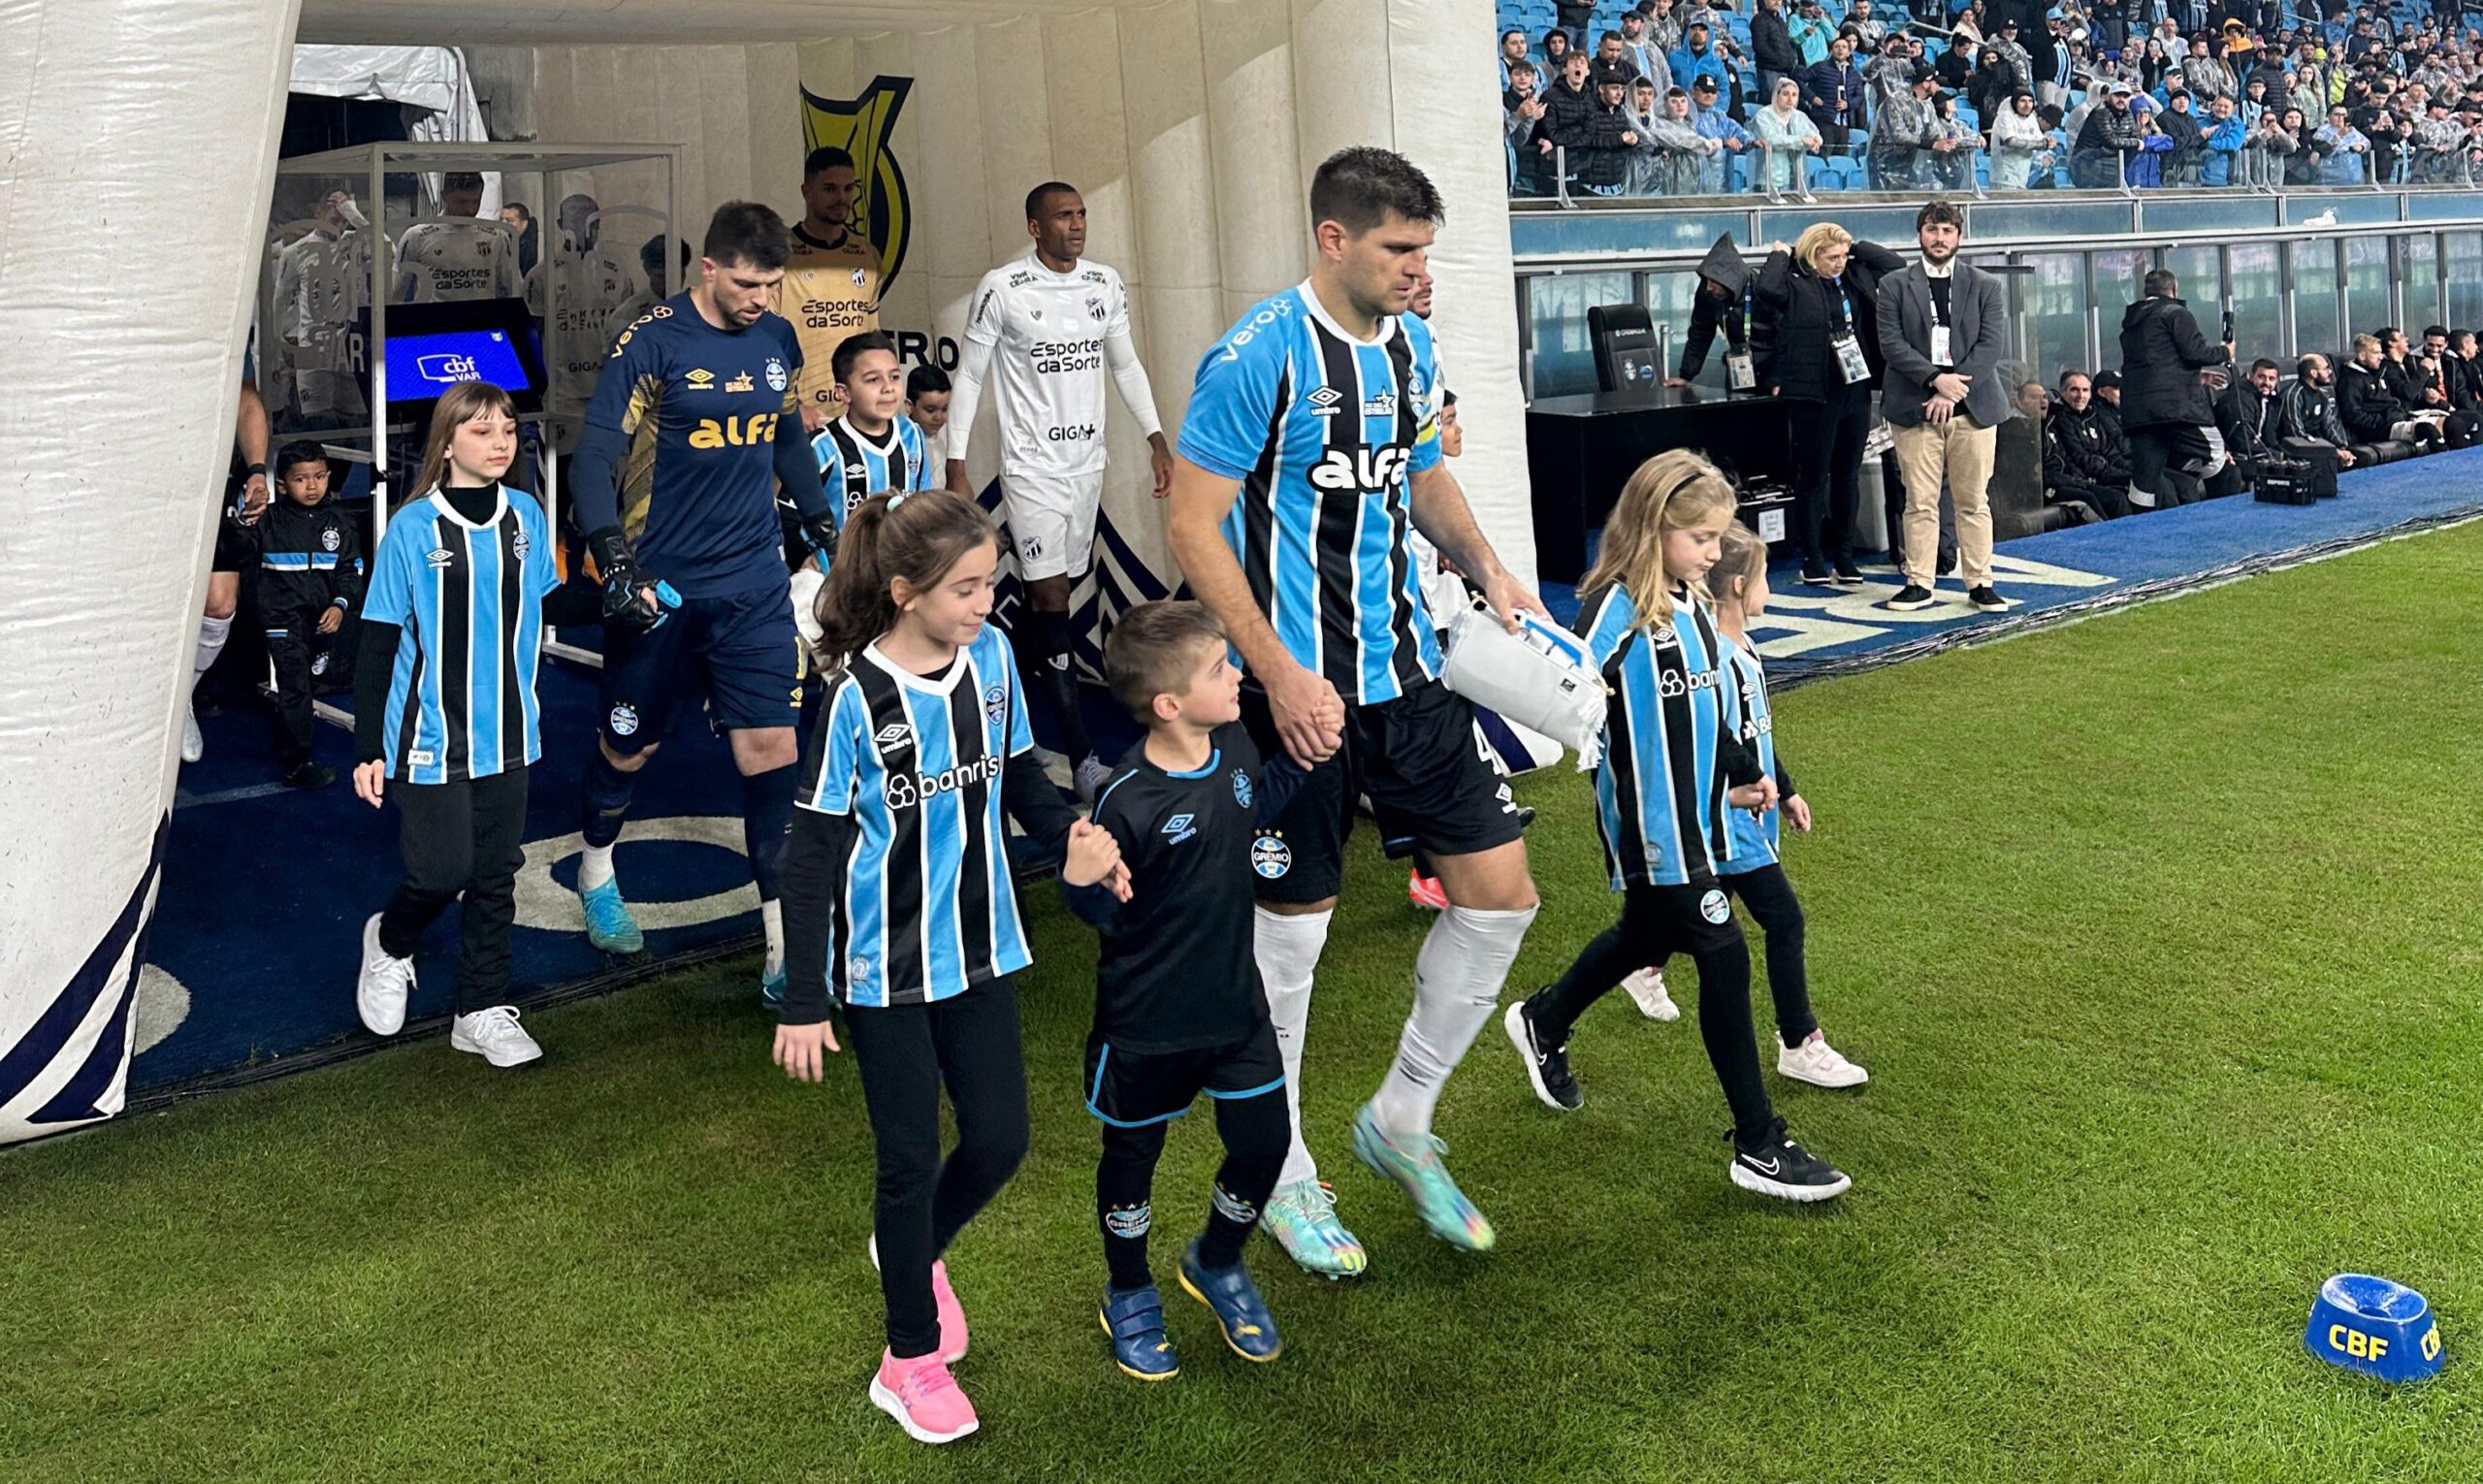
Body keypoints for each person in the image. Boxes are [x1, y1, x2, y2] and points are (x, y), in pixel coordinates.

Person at [1164, 148, 1544, 1274]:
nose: (1417, 270)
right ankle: (1280, 1174)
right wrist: (1277, 674)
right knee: (1292, 945)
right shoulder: (1256, 355)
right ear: (1333, 239)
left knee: (1501, 898)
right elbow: (1192, 529)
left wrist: (1486, 565)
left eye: (1425, 249)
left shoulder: (1412, 346)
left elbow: (1420, 477)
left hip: (1409, 677)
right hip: (1294, 698)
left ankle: (1400, 1120)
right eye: (1400, 249)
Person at [771, 488, 1127, 1445]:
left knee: (1002, 1141)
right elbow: (807, 857)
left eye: (988, 583)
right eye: (964, 587)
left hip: (983, 949)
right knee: (907, 1159)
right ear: (904, 592)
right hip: (883, 970)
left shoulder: (998, 660)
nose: (983, 602)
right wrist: (804, 1000)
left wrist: (1074, 843)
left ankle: (914, 1249)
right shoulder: (853, 699)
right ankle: (909, 1361)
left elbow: (1021, 783)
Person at [1500, 453, 1852, 1201]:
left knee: (1643, 938)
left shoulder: (1691, 603)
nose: (1716, 553)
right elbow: (1564, 702)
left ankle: (1543, 1018)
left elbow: (1702, 709)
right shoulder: (1611, 609)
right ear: (1653, 527)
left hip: (1703, 824)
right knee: (1725, 958)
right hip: (1652, 833)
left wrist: (1744, 770)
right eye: (1700, 538)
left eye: (1720, 538)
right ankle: (1758, 1143)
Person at [566, 202, 840, 1009]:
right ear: (708, 270)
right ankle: (595, 869)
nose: (763, 300)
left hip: (754, 586)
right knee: (629, 754)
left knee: (770, 754)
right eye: (750, 284)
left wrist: (820, 515)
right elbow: (596, 456)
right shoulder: (651, 343)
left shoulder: (775, 339)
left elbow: (787, 437)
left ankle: (783, 950)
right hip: (661, 591)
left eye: (774, 285)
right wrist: (613, 556)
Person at [1068, 601, 1301, 1382]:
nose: (1235, 676)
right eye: (1218, 669)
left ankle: (1216, 1259)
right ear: (1168, 705)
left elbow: (1248, 807)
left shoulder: (1232, 740)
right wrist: (1079, 885)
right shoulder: (1124, 800)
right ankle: (1128, 1289)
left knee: (1265, 1144)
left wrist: (1307, 761)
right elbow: (1105, 911)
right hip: (1147, 1026)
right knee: (1134, 1157)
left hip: (1237, 1012)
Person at [350, 381, 566, 1070]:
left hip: (510, 732)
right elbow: (378, 642)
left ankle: (478, 1010)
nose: (500, 441)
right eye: (482, 431)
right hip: (426, 736)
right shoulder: (411, 529)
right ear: (447, 445)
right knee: (442, 872)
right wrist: (365, 749)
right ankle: (389, 944)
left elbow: (550, 607)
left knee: (498, 874)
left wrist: (638, 589)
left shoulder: (528, 515)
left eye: (506, 429)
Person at [945, 181, 1173, 802]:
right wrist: (957, 464)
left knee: (1057, 599)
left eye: (1081, 214)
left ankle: (1010, 721)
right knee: (1050, 600)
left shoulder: (1103, 283)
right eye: (1064, 216)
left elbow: (1124, 364)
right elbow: (970, 373)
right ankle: (1081, 758)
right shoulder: (1004, 287)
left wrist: (1155, 436)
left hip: (1086, 467)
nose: (1077, 225)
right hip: (1033, 472)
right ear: (1035, 226)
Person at [1704, 523, 1868, 1086]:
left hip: (1753, 812)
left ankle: (1625, 975)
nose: (1770, 588)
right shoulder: (1716, 661)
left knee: (1667, 927)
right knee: (1785, 920)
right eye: (1767, 576)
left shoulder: (1741, 648)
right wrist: (1740, 791)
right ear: (1739, 586)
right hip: (1733, 820)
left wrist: (1788, 788)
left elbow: (1756, 736)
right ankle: (1798, 1039)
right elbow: (1716, 746)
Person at [1751, 221, 1904, 586]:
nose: (1838, 262)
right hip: (1813, 391)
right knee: (1814, 475)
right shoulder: (1794, 281)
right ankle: (1813, 557)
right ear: (1812, 255)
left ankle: (1846, 556)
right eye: (1831, 257)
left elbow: (1895, 265)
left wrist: (1858, 246)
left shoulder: (1854, 275)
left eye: (1841, 256)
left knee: (1848, 474)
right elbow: (1766, 292)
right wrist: (1777, 255)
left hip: (1856, 385)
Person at [1877, 200, 2011, 614]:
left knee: (1973, 501)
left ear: (1959, 236)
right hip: (1914, 408)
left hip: (1973, 409)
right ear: (1920, 234)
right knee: (1919, 500)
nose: (1939, 238)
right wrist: (1935, 381)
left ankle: (1980, 582)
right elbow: (1891, 344)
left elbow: (1990, 345)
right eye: (1932, 230)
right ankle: (1919, 581)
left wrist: (1951, 391)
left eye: (1947, 230)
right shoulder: (1894, 284)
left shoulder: (1985, 284)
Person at [241, 440, 363, 788]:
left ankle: (288, 737)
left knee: (307, 686)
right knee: (295, 688)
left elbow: (351, 569)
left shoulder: (339, 521)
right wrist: (245, 521)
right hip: (281, 621)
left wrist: (340, 605)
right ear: (281, 484)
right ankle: (297, 764)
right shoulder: (268, 521)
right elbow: (237, 554)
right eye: (301, 479)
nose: (312, 486)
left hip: (323, 622)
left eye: (320, 476)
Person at [185, 378, 273, 765]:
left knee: (219, 606)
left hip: (212, 481)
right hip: (144, 477)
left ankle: (180, 700)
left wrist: (256, 470)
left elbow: (245, 397)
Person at [782, 147, 886, 435]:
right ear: (807, 191)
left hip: (856, 414)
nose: (841, 198)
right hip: (801, 416)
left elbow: (871, 337)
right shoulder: (779, 256)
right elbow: (762, 343)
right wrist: (791, 403)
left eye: (848, 188)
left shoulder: (867, 256)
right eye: (829, 188)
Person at [809, 331, 937, 557]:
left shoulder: (913, 434)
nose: (888, 387)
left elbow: (922, 501)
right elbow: (791, 516)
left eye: (895, 377)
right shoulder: (822, 446)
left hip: (902, 565)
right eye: (873, 379)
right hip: (845, 575)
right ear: (844, 393)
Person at [2117, 268, 2231, 510]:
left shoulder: (2131, 324)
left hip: (2138, 411)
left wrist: (2197, 376)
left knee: (2144, 480)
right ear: (2174, 289)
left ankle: (2140, 529)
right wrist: (2224, 352)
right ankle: (2181, 471)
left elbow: (2155, 365)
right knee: (2215, 454)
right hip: (2174, 407)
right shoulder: (2176, 313)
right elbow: (2195, 353)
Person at [392, 172, 522, 304]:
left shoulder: (496, 237)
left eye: (476, 202)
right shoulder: (416, 237)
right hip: (433, 321)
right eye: (462, 202)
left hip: (482, 320)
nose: (470, 209)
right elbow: (396, 293)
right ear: (445, 196)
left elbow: (515, 289)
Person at [1669, 233, 1755, 388]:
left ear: (1729, 280)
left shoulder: (1758, 288)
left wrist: (1777, 379)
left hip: (1769, 369)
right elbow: (1700, 332)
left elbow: (1780, 335)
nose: (1709, 288)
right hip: (1739, 365)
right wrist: (1686, 375)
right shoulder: (1708, 294)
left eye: (1714, 282)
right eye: (1707, 281)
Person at [2046, 371, 2135, 519]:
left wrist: (2131, 469)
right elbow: (2079, 458)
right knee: (2118, 499)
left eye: (2085, 390)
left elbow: (2110, 451)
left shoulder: (2092, 415)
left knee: (2153, 483)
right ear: (2062, 392)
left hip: (2101, 474)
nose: (2081, 396)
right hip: (2086, 479)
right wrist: (2120, 474)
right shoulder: (2058, 419)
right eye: (2074, 390)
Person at [2338, 333, 2445, 449]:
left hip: (2398, 418)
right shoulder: (2351, 380)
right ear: (2362, 356)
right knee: (2427, 430)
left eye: (2381, 352)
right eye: (2376, 353)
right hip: (2380, 429)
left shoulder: (2378, 372)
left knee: (2450, 424)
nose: (2381, 357)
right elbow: (2353, 414)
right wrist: (2383, 421)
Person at [2275, 352, 2370, 468]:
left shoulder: (2322, 396)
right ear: (2313, 373)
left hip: (2320, 446)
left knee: (2358, 458)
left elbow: (2329, 427)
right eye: (2326, 368)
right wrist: (2333, 451)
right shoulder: (2294, 395)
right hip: (2299, 448)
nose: (2330, 372)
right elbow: (2295, 433)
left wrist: (2342, 447)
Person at [2212, 357, 2284, 495]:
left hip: (2257, 453)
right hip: (2235, 456)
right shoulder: (2239, 400)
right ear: (2251, 377)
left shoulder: (2272, 400)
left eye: (2271, 379)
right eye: (2262, 377)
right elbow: (2241, 442)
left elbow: (2270, 436)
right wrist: (2274, 455)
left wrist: (2279, 453)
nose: (2266, 383)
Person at [1800, 34, 1870, 154]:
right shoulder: (1820, 67)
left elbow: (1859, 97)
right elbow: (1799, 79)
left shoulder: (1854, 74)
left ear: (1849, 53)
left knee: (1842, 158)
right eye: (1837, 46)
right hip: (1824, 120)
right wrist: (1812, 98)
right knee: (1823, 156)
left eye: (1844, 47)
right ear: (1832, 51)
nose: (1840, 49)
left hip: (1844, 124)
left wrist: (1848, 104)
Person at [1755, 78, 1825, 191]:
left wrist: (1817, 140)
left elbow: (1812, 132)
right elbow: (1772, 139)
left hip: (1797, 180)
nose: (1790, 99)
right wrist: (1801, 140)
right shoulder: (1763, 116)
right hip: (1770, 179)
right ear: (1776, 95)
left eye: (1794, 95)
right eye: (1785, 94)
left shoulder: (1799, 116)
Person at [906, 364, 953, 472]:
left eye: (944, 409)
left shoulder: (949, 436)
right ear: (909, 406)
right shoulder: (901, 443)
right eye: (930, 410)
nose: (938, 417)